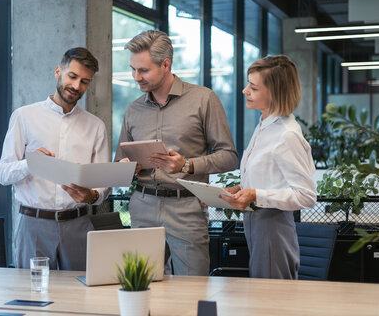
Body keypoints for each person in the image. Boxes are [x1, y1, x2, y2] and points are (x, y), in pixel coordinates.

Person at [115, 30, 238, 276]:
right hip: (142, 206)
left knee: (192, 291)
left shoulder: (203, 99)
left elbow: (230, 156)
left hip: (186, 208)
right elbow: (119, 161)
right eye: (133, 69)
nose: (135, 77)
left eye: (143, 70)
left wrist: (188, 165)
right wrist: (127, 167)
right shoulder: (132, 110)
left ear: (166, 64)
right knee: (142, 289)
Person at [0, 47, 110, 271]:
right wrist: (30, 163)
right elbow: (2, 174)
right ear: (58, 71)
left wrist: (92, 195)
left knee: (81, 300)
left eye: (85, 81)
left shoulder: (96, 126)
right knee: (32, 298)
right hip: (34, 225)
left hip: (78, 225)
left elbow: (103, 182)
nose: (77, 86)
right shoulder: (24, 117)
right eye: (73, 76)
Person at [220, 55, 316, 279]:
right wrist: (241, 188)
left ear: (274, 93)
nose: (245, 91)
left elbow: (307, 196)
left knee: (271, 302)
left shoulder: (286, 134)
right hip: (255, 222)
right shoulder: (265, 124)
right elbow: (269, 177)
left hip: (272, 226)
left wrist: (255, 194)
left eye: (253, 87)